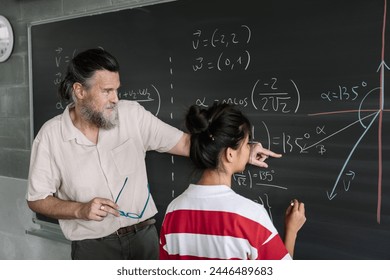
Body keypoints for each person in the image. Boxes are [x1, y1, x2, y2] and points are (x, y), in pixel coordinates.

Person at [26, 48, 281, 260]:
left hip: (144, 240)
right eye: (106, 91)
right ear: (80, 91)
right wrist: (80, 210)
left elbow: (185, 143)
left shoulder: (131, 114)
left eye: (117, 89)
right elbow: (37, 199)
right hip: (93, 248)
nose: (116, 99)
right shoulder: (50, 137)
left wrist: (239, 151)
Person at [159, 102, 306, 260]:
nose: (250, 148)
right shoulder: (251, 217)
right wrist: (291, 231)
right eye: (246, 144)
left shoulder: (173, 211)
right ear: (230, 154)